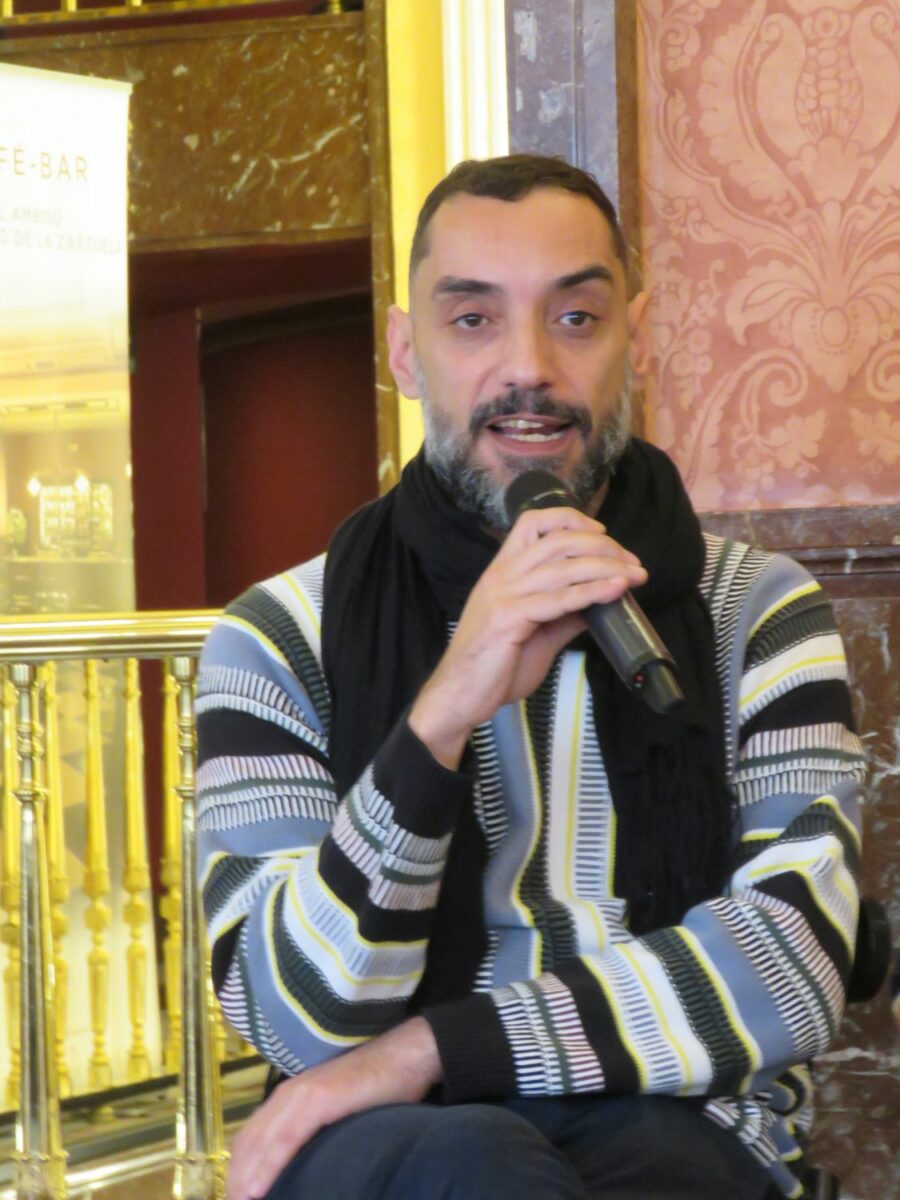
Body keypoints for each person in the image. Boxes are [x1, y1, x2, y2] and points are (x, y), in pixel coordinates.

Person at [196, 155, 865, 1200]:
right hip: (395, 1144)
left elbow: (793, 963)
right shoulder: (277, 638)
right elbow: (296, 1020)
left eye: (576, 318)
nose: (529, 368)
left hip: (678, 1119)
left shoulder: (757, 612)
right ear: (405, 352)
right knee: (470, 1164)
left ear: (635, 339)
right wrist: (442, 715)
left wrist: (432, 1050)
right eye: (473, 320)